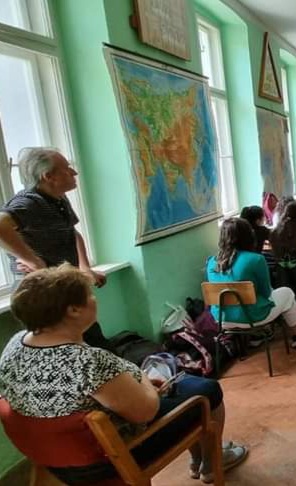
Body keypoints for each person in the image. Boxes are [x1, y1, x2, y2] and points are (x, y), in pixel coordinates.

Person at [0, 265, 247, 485]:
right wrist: (145, 383)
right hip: (108, 458)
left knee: (186, 385)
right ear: (73, 310)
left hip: (50, 454)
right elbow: (146, 412)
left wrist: (135, 383)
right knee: (206, 390)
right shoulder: (88, 361)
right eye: (90, 295)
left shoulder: (15, 346)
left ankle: (200, 458)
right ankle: (211, 461)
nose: (94, 299)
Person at [0, 148, 108, 349]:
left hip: (65, 287)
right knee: (66, 348)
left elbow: (72, 232)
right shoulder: (30, 202)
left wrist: (85, 268)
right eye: (67, 169)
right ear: (48, 176)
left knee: (95, 345)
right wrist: (33, 261)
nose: (74, 172)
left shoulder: (58, 199)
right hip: (44, 295)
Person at [207, 218, 296, 348]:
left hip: (221, 318)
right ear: (248, 236)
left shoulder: (211, 262)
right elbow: (266, 293)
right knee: (287, 293)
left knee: (256, 300)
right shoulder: (256, 259)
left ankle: (257, 336)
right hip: (253, 317)